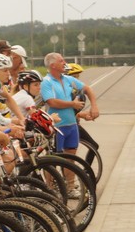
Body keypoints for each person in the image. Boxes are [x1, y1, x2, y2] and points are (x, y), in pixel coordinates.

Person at [41, 52, 100, 196]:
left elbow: (87, 89)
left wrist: (94, 106)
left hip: (71, 125)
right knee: (53, 159)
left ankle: (71, 188)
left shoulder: (67, 79)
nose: (64, 62)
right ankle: (50, 189)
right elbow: (51, 101)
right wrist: (72, 104)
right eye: (61, 61)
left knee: (71, 158)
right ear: (52, 65)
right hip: (57, 126)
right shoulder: (46, 82)